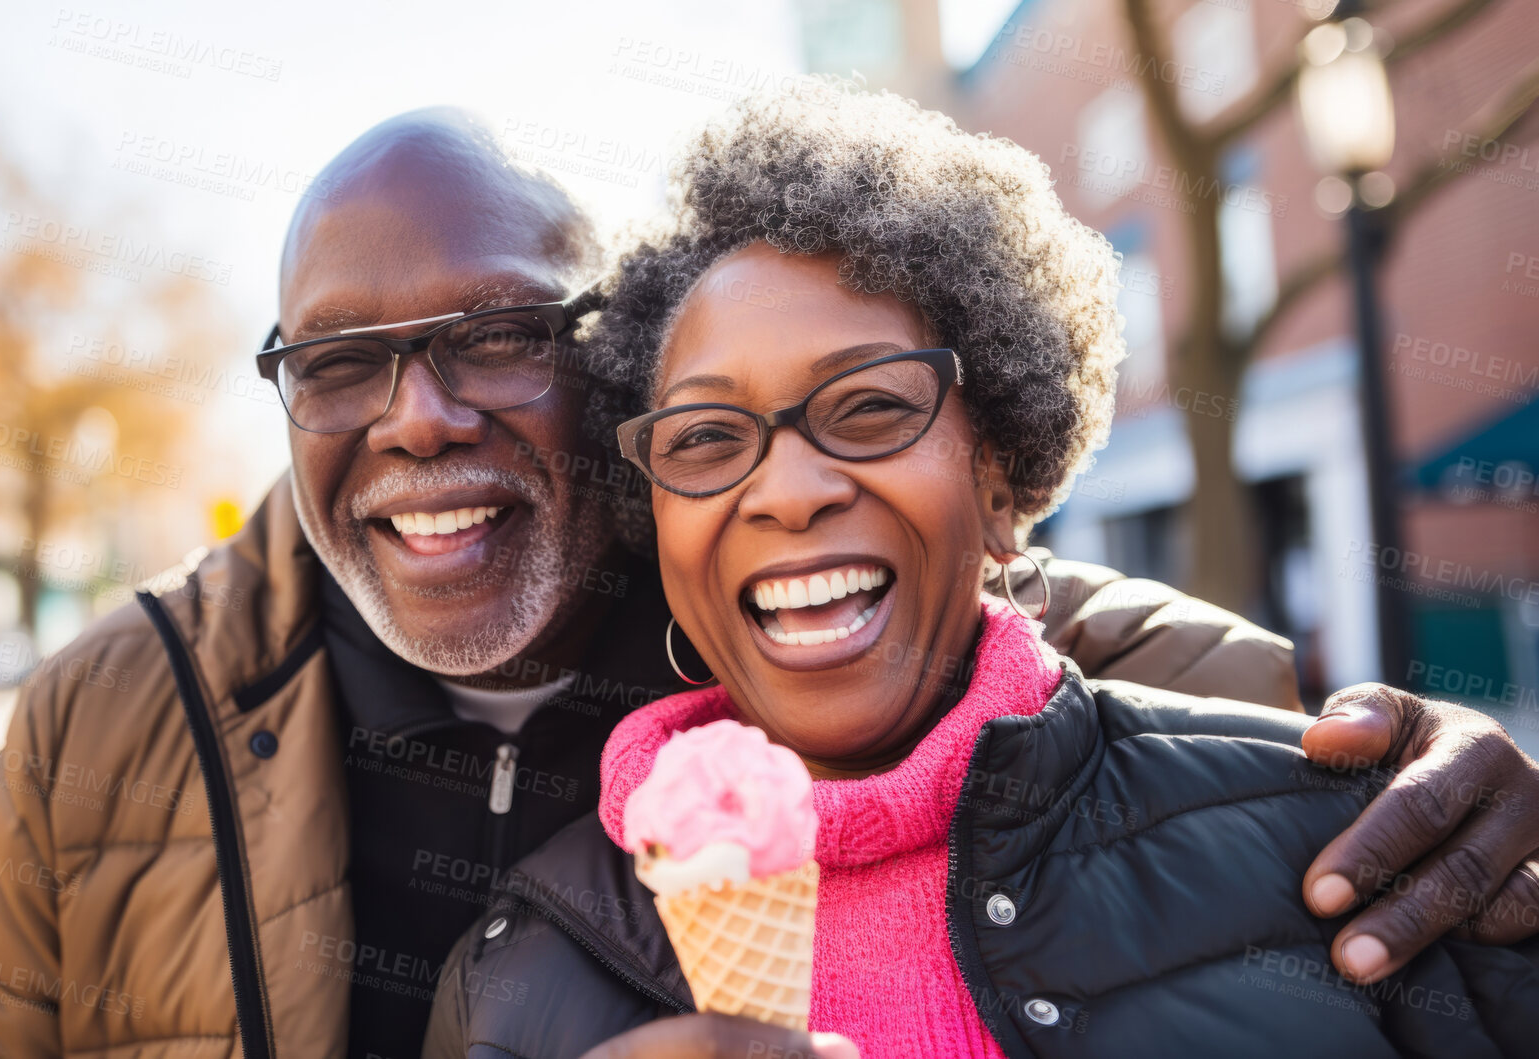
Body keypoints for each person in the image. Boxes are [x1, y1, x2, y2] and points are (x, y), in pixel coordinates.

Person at [0, 108, 1539, 1059]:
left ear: (607, 380)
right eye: (341, 360)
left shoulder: (746, 565)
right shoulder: (106, 724)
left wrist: (1417, 751)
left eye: (492, 336)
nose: (416, 416)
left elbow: (1002, 645)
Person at [423, 86, 1539, 1058]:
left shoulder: (1345, 838)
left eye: (867, 406)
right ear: (653, 518)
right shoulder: (511, 987)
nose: (787, 490)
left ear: (998, 483)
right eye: (706, 439)